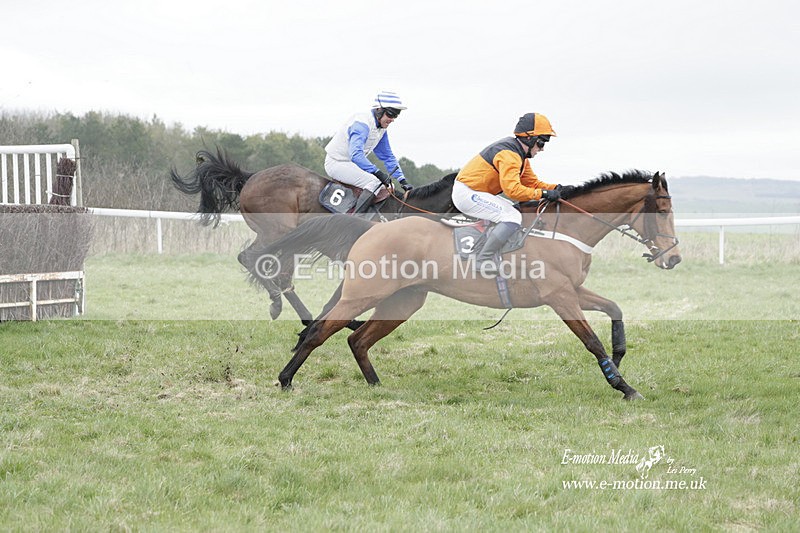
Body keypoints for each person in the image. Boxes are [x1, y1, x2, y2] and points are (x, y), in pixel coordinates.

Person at [452, 112, 569, 275]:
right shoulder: (509, 155)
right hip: (467, 193)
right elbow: (512, 190)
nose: (542, 149)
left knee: (515, 211)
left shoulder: (521, 157)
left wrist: (558, 188)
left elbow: (532, 183)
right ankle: (482, 260)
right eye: (541, 143)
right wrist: (542, 193)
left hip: (477, 192)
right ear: (529, 138)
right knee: (511, 217)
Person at [324, 90, 413, 214]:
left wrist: (402, 180)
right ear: (379, 110)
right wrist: (377, 172)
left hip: (350, 164)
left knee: (388, 187)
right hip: (337, 163)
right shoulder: (362, 123)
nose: (392, 119)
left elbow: (387, 156)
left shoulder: (381, 129)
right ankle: (354, 220)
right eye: (391, 114)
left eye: (395, 116)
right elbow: (356, 155)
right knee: (374, 182)